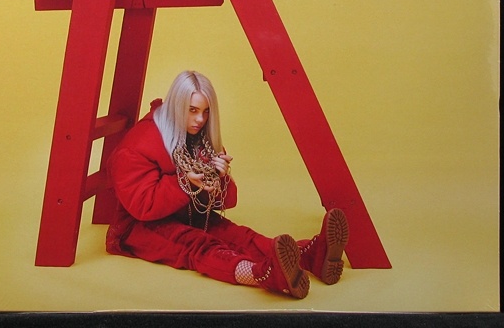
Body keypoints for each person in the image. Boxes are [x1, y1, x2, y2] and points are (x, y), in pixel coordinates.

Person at [106, 70, 349, 298]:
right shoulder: (138, 144)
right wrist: (184, 182)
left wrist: (220, 178)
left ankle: (310, 256)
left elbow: (226, 202)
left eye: (206, 111)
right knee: (197, 246)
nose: (200, 119)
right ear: (176, 107)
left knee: (239, 236)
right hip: (137, 228)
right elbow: (142, 206)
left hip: (186, 213)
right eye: (192, 110)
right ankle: (262, 275)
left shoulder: (199, 138)